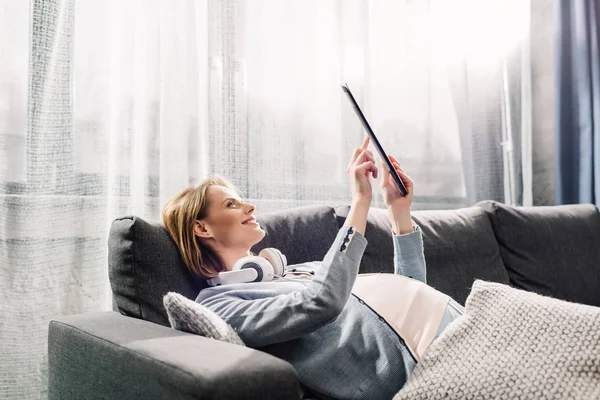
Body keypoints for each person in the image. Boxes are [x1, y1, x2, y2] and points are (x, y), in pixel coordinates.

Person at [162, 136, 464, 400]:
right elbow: (321, 303)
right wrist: (360, 201)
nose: (250, 207)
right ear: (201, 228)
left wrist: (399, 214)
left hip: (454, 322)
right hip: (426, 359)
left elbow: (412, 290)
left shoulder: (298, 271)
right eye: (231, 205)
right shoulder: (218, 304)